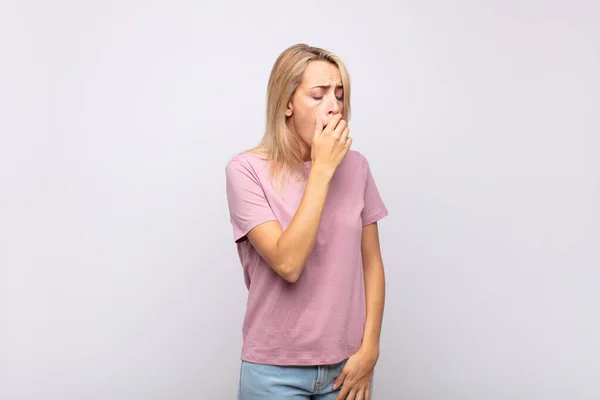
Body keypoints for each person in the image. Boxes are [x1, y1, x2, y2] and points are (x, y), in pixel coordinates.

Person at [225, 43, 388, 400]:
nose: (334, 105)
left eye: (339, 94)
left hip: (348, 367)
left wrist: (370, 351)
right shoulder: (246, 171)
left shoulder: (357, 167)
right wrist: (322, 169)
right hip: (273, 373)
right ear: (286, 103)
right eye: (318, 95)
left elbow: (371, 264)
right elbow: (288, 263)